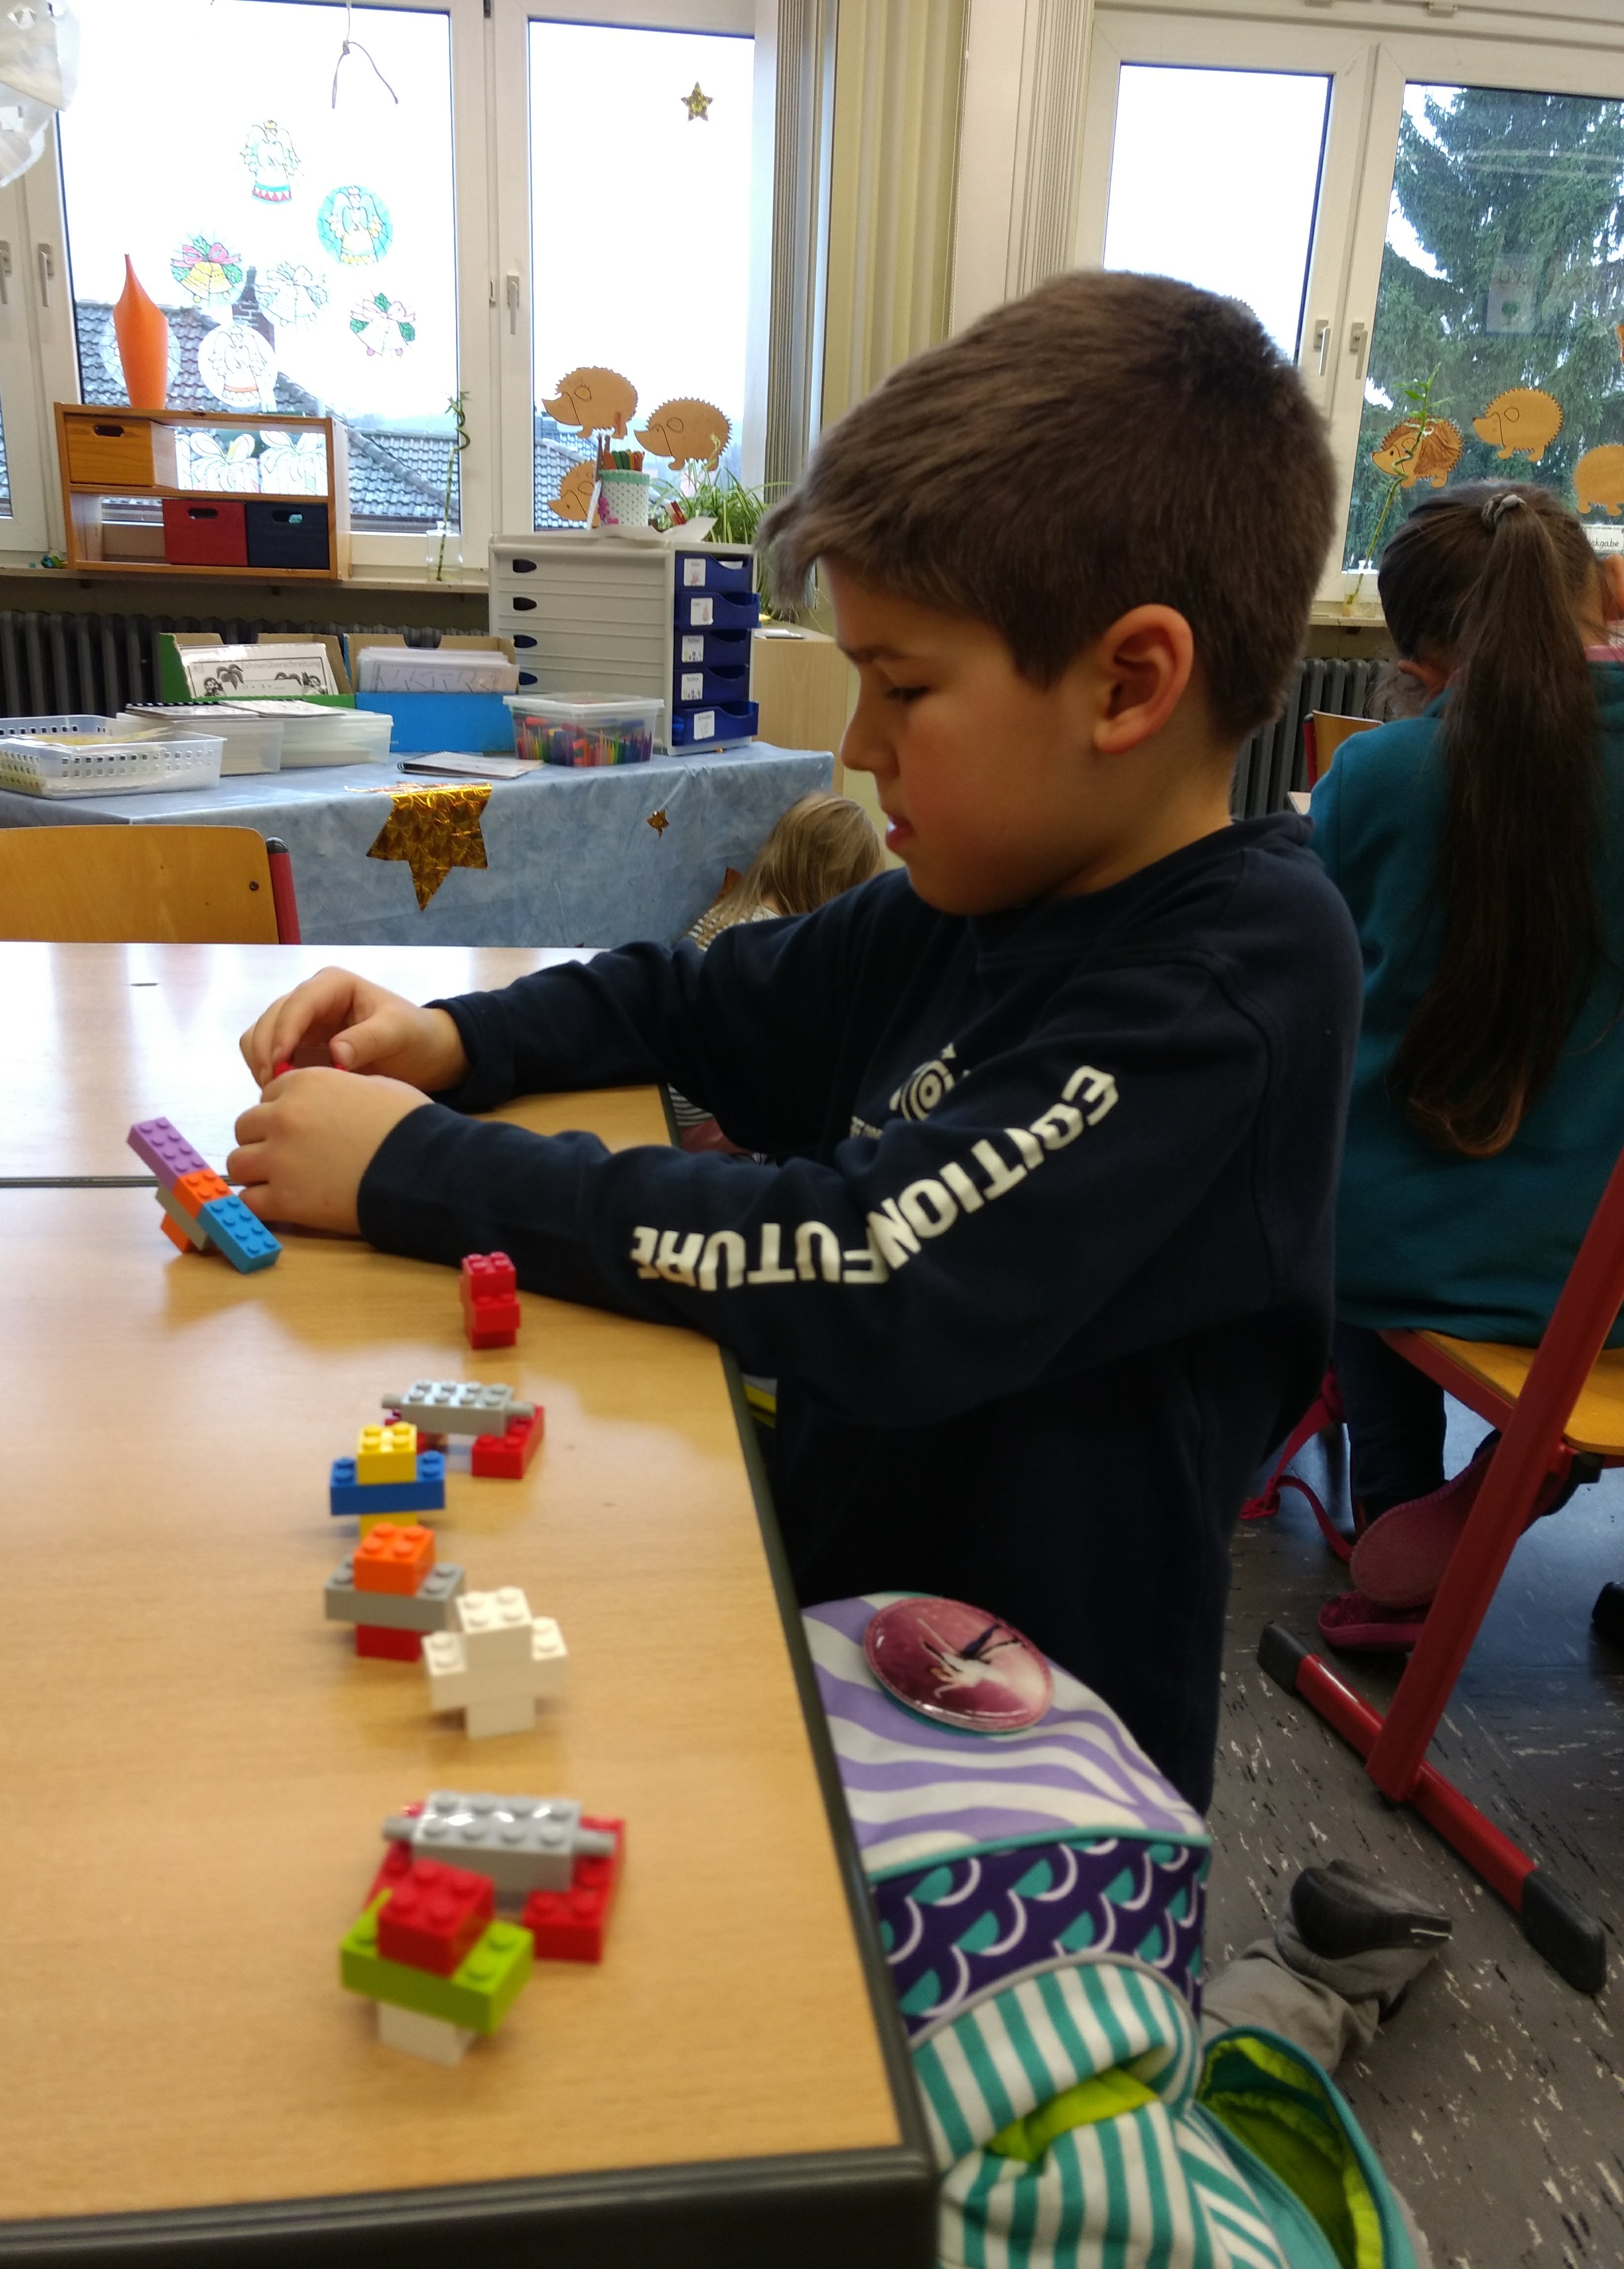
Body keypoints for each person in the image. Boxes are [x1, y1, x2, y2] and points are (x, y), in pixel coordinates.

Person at [228, 270, 1361, 1812]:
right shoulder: (980, 892)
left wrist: (416, 1171)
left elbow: (875, 1268)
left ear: (1129, 683)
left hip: (1031, 1782)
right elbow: (693, 999)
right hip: (840, 1635)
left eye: (903, 687)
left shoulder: (1234, 982)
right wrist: (450, 1038)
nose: (856, 746)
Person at [1309, 482, 1624, 1650]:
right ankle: (1528, 1471)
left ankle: (1395, 1505)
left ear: (1414, 658)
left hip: (1412, 1254)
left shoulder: (1379, 777)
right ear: (1601, 602)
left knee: (1334, 1214)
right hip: (1610, 1288)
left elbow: (1314, 993)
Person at [673, 790, 881, 1153]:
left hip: (671, 1100)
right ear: (839, 890)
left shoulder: (730, 913)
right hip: (707, 1124)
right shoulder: (786, 951)